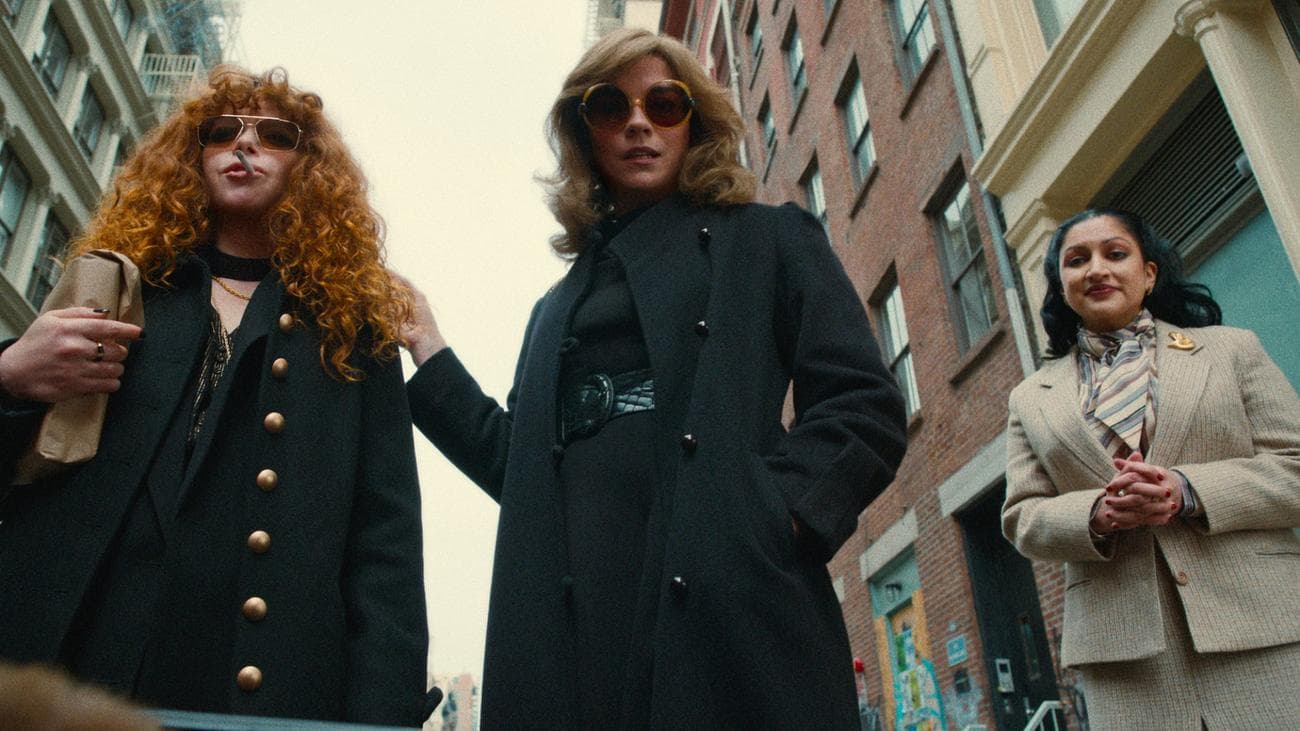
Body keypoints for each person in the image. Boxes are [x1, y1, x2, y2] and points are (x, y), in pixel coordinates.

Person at [400, 28, 907, 728]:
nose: (639, 122)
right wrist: (430, 350)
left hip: (725, 603)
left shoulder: (767, 241)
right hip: (572, 623)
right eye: (612, 106)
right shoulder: (553, 309)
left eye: (664, 104)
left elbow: (864, 404)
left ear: (694, 122)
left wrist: (768, 518)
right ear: (586, 133)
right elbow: (523, 471)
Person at [0, 67, 430, 725]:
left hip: (248, 679)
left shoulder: (350, 330)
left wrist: (381, 715)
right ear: (193, 156)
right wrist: (9, 376)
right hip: (77, 658)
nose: (245, 144)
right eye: (222, 131)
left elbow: (385, 544)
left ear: (308, 167)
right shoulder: (123, 289)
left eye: (275, 135)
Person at [1002, 208, 1300, 729]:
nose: (1096, 269)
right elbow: (1022, 516)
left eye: (1115, 253)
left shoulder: (1232, 350)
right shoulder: (1031, 398)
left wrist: (1187, 490)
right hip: (1123, 658)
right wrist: (1097, 514)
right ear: (1062, 286)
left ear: (1148, 273)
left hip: (1265, 628)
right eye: (1077, 260)